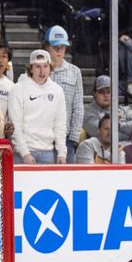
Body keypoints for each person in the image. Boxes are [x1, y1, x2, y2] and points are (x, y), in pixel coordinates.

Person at [10, 49, 68, 164]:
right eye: (37, 67)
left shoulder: (57, 90)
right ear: (30, 68)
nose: (42, 71)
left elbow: (60, 124)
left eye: (45, 66)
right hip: (22, 153)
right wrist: (25, 153)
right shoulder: (18, 89)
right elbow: (15, 124)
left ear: (50, 67)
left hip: (48, 152)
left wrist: (62, 152)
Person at [43, 26, 84, 162]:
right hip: (41, 137)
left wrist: (73, 138)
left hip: (66, 138)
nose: (60, 51)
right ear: (47, 47)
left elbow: (78, 107)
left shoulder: (75, 71)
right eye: (56, 47)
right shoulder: (37, 70)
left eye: (63, 47)